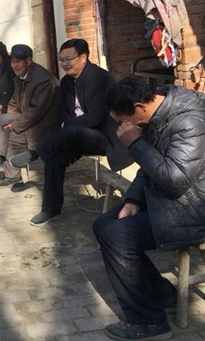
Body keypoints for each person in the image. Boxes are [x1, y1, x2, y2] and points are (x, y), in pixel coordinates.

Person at [93, 77, 205, 341]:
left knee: (117, 235)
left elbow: (175, 180)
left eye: (123, 121)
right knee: (103, 224)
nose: (122, 127)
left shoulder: (189, 122)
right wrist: (133, 200)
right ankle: (163, 295)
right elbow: (148, 168)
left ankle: (149, 323)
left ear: (139, 106)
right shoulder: (158, 113)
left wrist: (135, 143)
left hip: (195, 207)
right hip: (172, 200)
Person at [9, 38, 133, 227]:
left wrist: (68, 126)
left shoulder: (102, 79)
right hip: (75, 136)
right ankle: (50, 209)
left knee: (71, 130)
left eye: (69, 59)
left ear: (83, 57)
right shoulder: (66, 82)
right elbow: (62, 113)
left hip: (104, 138)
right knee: (54, 157)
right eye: (62, 60)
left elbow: (95, 117)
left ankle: (36, 152)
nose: (65, 64)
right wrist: (67, 126)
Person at [0, 44, 59, 190]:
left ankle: (5, 167)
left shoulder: (43, 79)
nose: (14, 65)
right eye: (13, 62)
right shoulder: (20, 76)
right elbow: (14, 102)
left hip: (44, 125)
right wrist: (10, 118)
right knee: (2, 122)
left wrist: (15, 124)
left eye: (18, 62)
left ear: (29, 60)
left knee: (9, 134)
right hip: (29, 119)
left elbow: (37, 111)